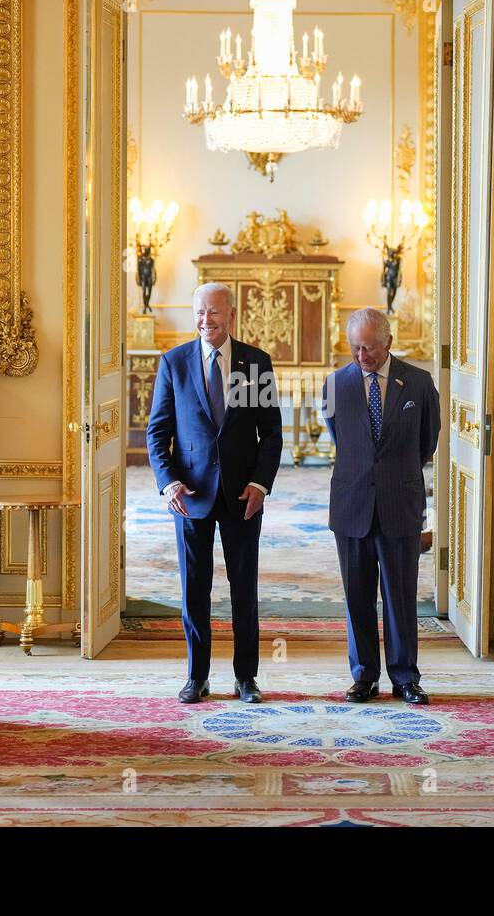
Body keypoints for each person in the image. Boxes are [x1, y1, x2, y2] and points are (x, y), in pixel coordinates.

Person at [145, 283, 283, 703]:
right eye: (200, 313)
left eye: (215, 313)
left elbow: (271, 433)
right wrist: (168, 482)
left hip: (244, 495)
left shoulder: (255, 364)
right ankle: (197, 676)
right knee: (194, 588)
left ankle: (246, 678)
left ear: (232, 315)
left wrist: (260, 483)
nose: (207, 320)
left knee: (244, 588)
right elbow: (158, 432)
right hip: (190, 495)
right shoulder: (175, 363)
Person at [322, 308, 440, 705]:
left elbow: (428, 442)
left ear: (388, 342)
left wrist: (393, 473)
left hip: (400, 502)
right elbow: (343, 439)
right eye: (355, 347)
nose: (362, 356)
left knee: (400, 595)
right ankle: (364, 677)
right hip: (352, 503)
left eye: (369, 347)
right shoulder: (336, 384)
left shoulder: (419, 383)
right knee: (357, 597)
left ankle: (405, 677)